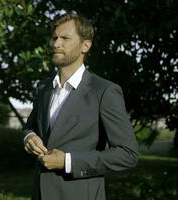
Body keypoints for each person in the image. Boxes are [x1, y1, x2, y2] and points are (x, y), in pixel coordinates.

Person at [23, 12, 138, 200]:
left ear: (85, 45)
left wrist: (67, 162)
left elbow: (128, 154)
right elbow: (30, 126)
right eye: (54, 38)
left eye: (65, 38)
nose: (55, 44)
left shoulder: (104, 91)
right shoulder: (43, 87)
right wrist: (28, 136)